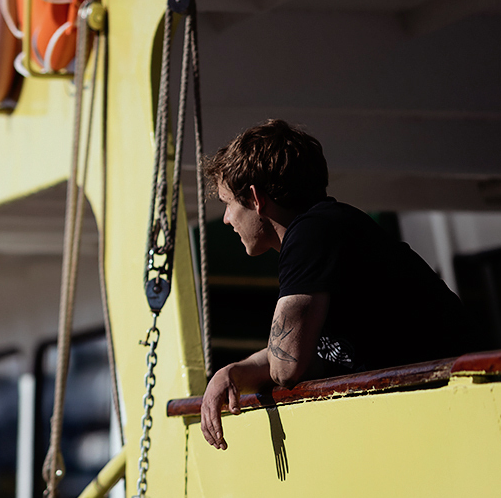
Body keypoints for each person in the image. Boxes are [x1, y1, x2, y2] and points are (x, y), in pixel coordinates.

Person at [199, 120, 471, 450]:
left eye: (228, 203)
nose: (226, 219)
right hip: (443, 405)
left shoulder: (310, 234)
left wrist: (244, 371)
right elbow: (295, 352)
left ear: (256, 199)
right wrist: (231, 373)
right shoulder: (326, 226)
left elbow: (286, 367)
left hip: (450, 408)